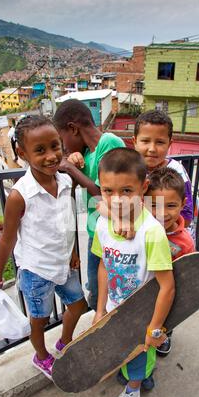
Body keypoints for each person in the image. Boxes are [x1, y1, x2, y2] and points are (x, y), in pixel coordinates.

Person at [0, 115, 87, 379]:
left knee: (78, 306)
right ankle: (41, 357)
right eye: (39, 150)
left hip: (64, 262)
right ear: (22, 153)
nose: (51, 156)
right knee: (38, 321)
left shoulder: (65, 181)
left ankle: (64, 342)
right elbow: (8, 238)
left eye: (55, 146)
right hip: (36, 271)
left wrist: (73, 250)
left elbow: (68, 219)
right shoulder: (20, 195)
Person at [91, 148, 175, 397]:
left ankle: (134, 389)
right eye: (108, 191)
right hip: (115, 308)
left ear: (144, 187)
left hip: (141, 315)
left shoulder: (151, 232)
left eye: (126, 191)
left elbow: (167, 286)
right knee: (121, 350)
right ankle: (133, 376)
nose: (116, 200)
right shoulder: (103, 224)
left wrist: (154, 327)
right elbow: (104, 265)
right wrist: (100, 309)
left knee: (139, 357)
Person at [53, 99, 125, 311]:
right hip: (96, 232)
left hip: (116, 231)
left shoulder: (109, 142)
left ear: (73, 129)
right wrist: (71, 162)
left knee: (113, 288)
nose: (64, 146)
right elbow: (72, 186)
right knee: (95, 289)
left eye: (62, 139)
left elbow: (104, 193)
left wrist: (70, 167)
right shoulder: (85, 154)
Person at [133, 109, 194, 357]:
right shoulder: (130, 168)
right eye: (145, 141)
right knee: (145, 290)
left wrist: (165, 227)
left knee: (169, 291)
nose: (152, 148)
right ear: (134, 141)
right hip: (141, 244)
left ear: (170, 143)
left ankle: (165, 332)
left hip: (172, 246)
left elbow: (188, 209)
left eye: (160, 142)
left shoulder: (177, 171)